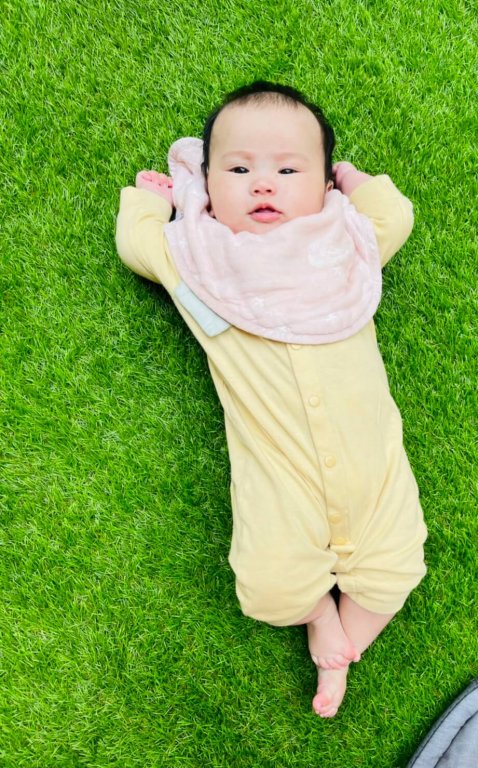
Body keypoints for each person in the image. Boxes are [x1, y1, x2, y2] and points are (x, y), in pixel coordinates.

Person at [116, 81, 427, 718]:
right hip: (277, 477)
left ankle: (342, 649)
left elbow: (394, 216)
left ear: (325, 187)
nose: (263, 184)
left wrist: (356, 180)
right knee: (269, 585)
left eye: (289, 170)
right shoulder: (200, 265)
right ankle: (319, 618)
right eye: (238, 170)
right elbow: (139, 246)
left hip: (374, 471)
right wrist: (151, 204)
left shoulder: (342, 248)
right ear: (206, 186)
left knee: (398, 569)